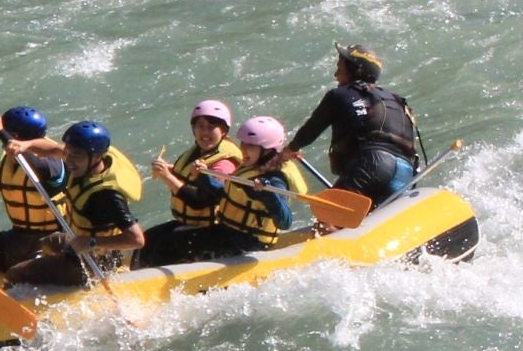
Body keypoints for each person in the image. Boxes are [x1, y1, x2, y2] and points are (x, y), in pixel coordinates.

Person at [2, 121, 144, 287]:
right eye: (68, 153)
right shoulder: (86, 160)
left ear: (98, 156)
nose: (69, 160)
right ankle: (52, 274)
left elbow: (136, 239)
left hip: (95, 261)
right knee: (46, 243)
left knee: (13, 274)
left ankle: (52, 286)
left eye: (76, 155)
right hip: (78, 244)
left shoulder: (106, 196)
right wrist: (26, 145)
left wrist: (91, 242)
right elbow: (54, 149)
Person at [148, 114, 306, 262]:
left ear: (267, 150)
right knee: (161, 239)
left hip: (249, 244)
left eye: (250, 145)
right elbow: (225, 193)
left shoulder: (274, 180)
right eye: (243, 143)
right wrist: (203, 177)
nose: (243, 149)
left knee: (172, 245)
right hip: (228, 233)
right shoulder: (249, 167)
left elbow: (285, 222)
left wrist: (268, 195)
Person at [283, 45, 422, 201]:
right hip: (406, 172)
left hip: (374, 164)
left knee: (331, 213)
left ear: (357, 70)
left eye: (339, 68)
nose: (336, 74)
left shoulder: (339, 95)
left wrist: (289, 150)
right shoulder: (397, 101)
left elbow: (311, 130)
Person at [140, 101, 245, 267]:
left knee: (164, 247)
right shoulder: (200, 151)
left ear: (223, 131)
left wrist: (167, 177)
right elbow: (189, 176)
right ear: (193, 129)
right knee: (147, 238)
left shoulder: (224, 163)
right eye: (200, 126)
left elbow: (200, 201)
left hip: (215, 229)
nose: (205, 132)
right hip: (194, 225)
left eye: (211, 127)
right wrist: (170, 169)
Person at [0, 106, 69, 271]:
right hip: (18, 236)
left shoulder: (54, 160)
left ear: (14, 137)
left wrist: (2, 133)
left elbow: (36, 167)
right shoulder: (5, 163)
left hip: (51, 238)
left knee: (24, 271)